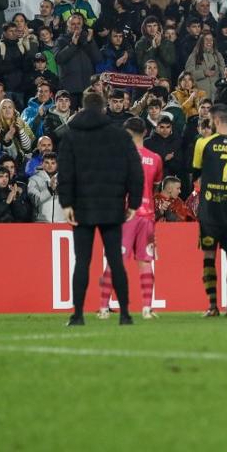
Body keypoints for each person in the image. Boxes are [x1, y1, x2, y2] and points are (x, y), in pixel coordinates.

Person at [60, 91, 145, 327]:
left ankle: (77, 315)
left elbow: (65, 173)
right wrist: (134, 203)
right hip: (112, 206)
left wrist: (66, 203)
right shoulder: (119, 136)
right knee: (116, 261)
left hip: (82, 207)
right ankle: (125, 314)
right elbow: (135, 172)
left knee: (82, 261)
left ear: (83, 108)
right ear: (104, 108)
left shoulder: (71, 135)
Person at [97, 118, 164, 319]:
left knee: (114, 261)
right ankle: (146, 309)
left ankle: (103, 308)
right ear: (145, 133)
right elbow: (155, 185)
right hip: (147, 215)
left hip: (125, 215)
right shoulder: (156, 158)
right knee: (145, 262)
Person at [192, 105, 227, 316]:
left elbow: (195, 173)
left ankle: (213, 306)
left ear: (214, 120)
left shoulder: (203, 143)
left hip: (210, 208)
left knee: (208, 256)